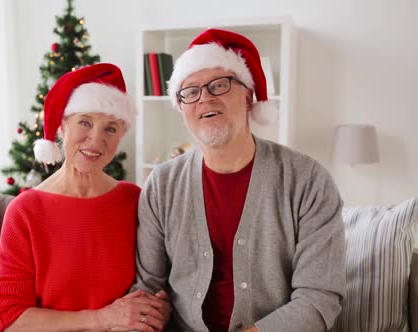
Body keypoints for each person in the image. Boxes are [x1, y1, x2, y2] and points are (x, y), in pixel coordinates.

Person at [133, 29, 346, 332]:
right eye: (190, 91)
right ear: (181, 107)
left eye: (219, 85)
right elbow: (149, 289)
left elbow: (318, 297)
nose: (204, 98)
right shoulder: (161, 185)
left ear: (248, 96)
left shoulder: (308, 181)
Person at [0, 63, 170, 332]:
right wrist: (102, 319)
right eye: (85, 122)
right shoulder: (25, 210)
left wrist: (159, 310)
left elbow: (157, 289)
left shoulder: (135, 200)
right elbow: (11, 318)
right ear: (62, 126)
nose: (96, 140)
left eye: (111, 128)